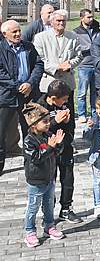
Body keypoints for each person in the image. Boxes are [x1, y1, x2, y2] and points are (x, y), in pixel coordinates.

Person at [0, 20, 45, 176]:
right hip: (6, 97)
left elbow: (39, 65)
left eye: (19, 30)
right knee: (1, 132)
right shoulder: (1, 48)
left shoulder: (28, 46)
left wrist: (30, 83)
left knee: (31, 130)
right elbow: (1, 73)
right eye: (14, 32)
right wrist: (19, 85)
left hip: (28, 95)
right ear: (5, 34)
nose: (18, 34)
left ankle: (31, 163)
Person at [36, 80, 81, 223]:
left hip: (65, 148)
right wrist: (54, 121)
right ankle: (48, 212)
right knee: (50, 182)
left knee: (68, 179)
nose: (66, 101)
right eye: (64, 99)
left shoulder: (66, 105)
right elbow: (37, 131)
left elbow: (72, 126)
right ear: (53, 98)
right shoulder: (39, 106)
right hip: (48, 150)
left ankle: (66, 208)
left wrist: (67, 123)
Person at [22, 102, 66, 248]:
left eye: (48, 121)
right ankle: (30, 231)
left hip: (49, 178)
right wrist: (50, 146)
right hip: (36, 181)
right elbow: (36, 158)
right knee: (33, 207)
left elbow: (55, 152)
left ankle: (49, 226)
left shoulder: (48, 135)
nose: (48, 124)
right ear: (34, 124)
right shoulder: (29, 141)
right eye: (45, 121)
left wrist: (58, 145)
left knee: (48, 205)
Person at [32, 10, 81, 131]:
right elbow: (39, 60)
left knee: (67, 114)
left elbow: (79, 56)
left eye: (63, 21)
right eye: (58, 20)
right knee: (47, 116)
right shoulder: (40, 38)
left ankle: (69, 140)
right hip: (48, 82)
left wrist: (69, 64)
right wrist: (57, 67)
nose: (61, 23)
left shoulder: (73, 37)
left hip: (67, 82)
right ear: (51, 22)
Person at [73, 9, 100, 122]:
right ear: (82, 18)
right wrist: (92, 47)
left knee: (95, 92)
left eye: (92, 17)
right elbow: (78, 48)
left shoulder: (96, 29)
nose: (91, 19)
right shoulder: (76, 32)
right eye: (88, 17)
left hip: (96, 64)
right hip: (84, 65)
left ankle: (95, 114)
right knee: (82, 92)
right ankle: (82, 113)